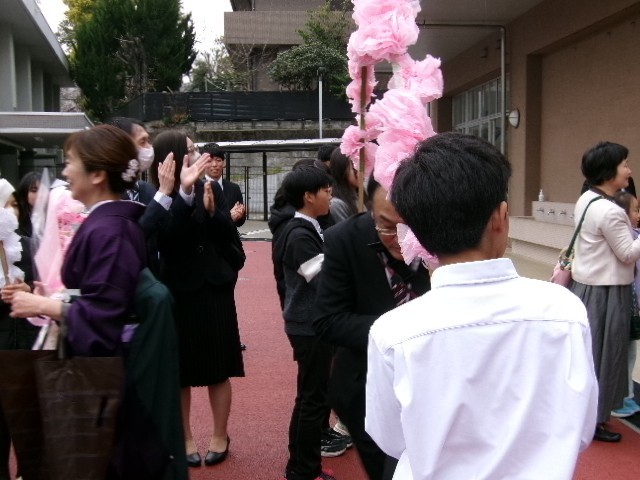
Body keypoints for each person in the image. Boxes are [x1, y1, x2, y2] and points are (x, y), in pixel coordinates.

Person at [366, 132, 598, 479]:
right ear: (500, 217)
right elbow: (580, 429)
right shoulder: (564, 311)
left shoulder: (393, 332)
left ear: (417, 231)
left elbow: (390, 438)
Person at [7, 125, 187, 479]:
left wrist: (41, 306)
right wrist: (56, 297)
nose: (64, 172)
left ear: (97, 174)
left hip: (116, 380)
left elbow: (105, 317)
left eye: (70, 162)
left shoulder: (109, 231)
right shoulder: (112, 224)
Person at [313, 176, 430, 480]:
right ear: (369, 209)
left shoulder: (442, 233)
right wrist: (405, 329)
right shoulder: (344, 240)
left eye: (410, 227)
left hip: (431, 383)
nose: (400, 238)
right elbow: (327, 320)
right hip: (366, 390)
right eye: (386, 225)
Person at [152, 131, 245, 469]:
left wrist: (214, 212)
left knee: (220, 366)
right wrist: (184, 194)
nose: (198, 156)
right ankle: (186, 436)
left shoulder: (214, 188)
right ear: (173, 157)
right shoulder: (159, 195)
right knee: (181, 370)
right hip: (178, 290)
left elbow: (230, 237)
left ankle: (220, 434)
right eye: (191, 150)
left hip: (214, 288)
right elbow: (167, 241)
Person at [570, 141, 640, 442]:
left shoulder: (586, 199)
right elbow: (627, 253)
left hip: (588, 288)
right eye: (624, 164)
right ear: (609, 172)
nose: (629, 171)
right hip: (608, 293)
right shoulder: (610, 211)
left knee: (592, 355)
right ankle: (596, 420)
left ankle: (590, 415)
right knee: (606, 356)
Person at [272, 166, 337, 480]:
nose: (330, 195)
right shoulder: (300, 235)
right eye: (326, 190)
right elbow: (323, 281)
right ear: (309, 197)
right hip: (308, 326)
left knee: (309, 396)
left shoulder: (308, 228)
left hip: (308, 323)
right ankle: (304, 468)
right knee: (313, 399)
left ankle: (300, 464)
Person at [109, 116, 176, 276]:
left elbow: (167, 232)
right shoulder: (107, 192)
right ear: (121, 145)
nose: (149, 148)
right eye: (142, 141)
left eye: (148, 141)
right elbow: (132, 236)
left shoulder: (147, 189)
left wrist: (186, 191)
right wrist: (162, 195)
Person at [607, 190, 640, 419]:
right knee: (624, 350)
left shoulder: (631, 234)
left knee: (629, 349)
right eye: (635, 210)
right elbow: (629, 256)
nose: (638, 214)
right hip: (623, 301)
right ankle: (619, 399)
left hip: (629, 301)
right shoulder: (624, 238)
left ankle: (624, 395)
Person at [201, 142, 247, 227]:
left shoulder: (234, 188)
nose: (214, 165)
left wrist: (240, 214)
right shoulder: (196, 188)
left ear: (224, 163)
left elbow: (240, 223)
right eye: (209, 161)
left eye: (218, 160)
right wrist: (229, 217)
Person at [327, 148, 359, 224]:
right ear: (342, 170)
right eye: (355, 168)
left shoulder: (360, 196)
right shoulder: (336, 204)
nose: (361, 172)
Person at [14, 172, 40, 237]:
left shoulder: (54, 216)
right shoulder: (16, 219)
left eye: (43, 190)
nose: (40, 194)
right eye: (34, 190)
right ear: (24, 193)